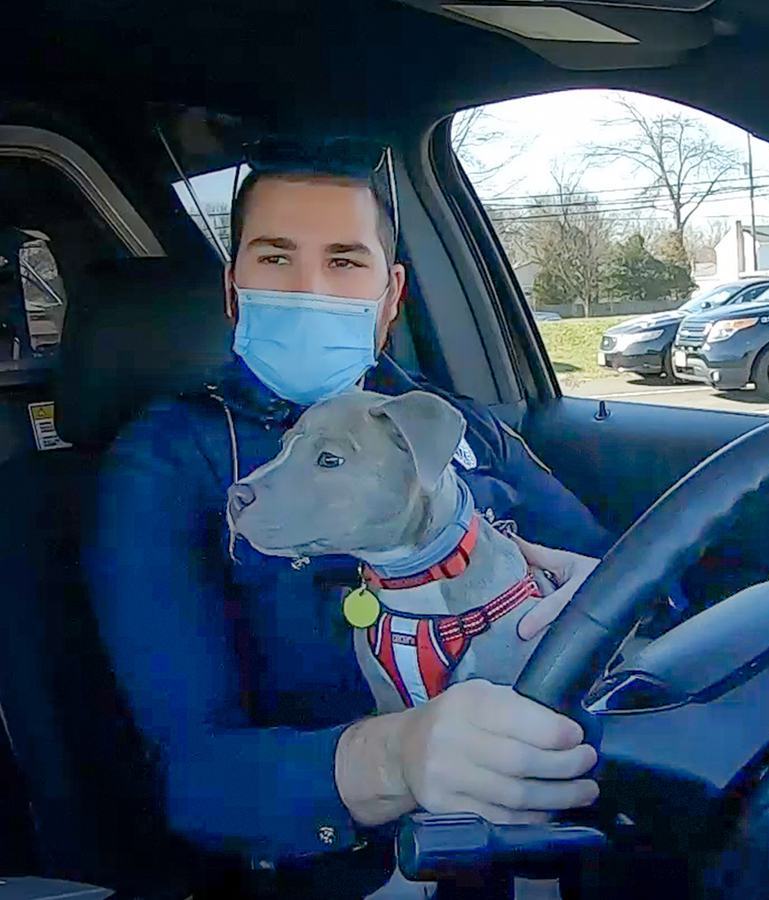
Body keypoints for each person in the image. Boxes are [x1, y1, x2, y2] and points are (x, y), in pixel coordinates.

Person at [88, 138, 610, 892]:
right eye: (274, 260)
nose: (309, 289)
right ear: (234, 290)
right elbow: (193, 778)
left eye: (343, 261)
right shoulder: (171, 462)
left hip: (571, 812)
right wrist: (393, 759)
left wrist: (597, 595)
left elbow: (627, 581)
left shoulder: (466, 429)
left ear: (391, 296)